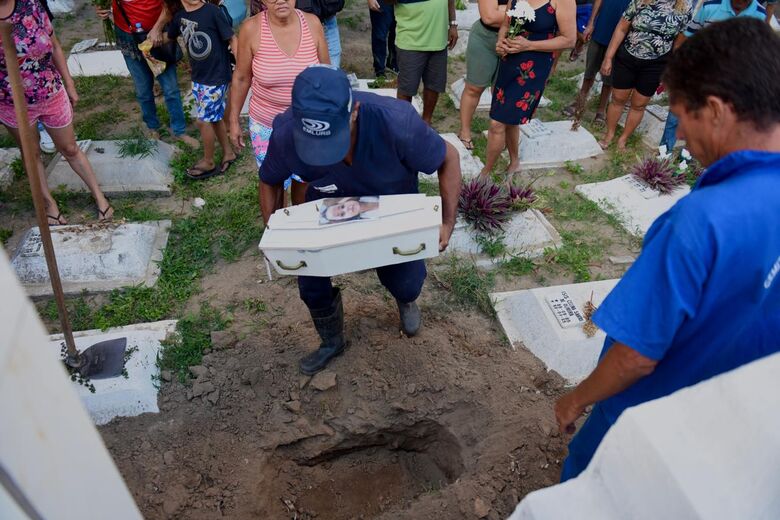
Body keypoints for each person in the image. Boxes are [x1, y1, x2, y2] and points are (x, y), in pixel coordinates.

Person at [554, 17, 780, 481]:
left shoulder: (701, 221)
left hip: (644, 423)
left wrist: (577, 398)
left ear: (716, 110)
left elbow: (637, 355)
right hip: (734, 427)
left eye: (683, 118)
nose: (679, 136)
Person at [259, 66, 462, 375]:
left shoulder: (396, 121)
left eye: (332, 142)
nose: (324, 155)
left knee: (406, 281)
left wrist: (447, 222)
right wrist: (277, 234)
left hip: (390, 206)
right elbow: (269, 180)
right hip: (327, 208)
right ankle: (332, 340)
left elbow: (448, 157)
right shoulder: (287, 132)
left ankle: (406, 300)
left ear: (354, 111)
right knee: (310, 282)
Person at [0, 0, 113, 225]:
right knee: (31, 155)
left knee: (70, 148)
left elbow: (54, 44)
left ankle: (100, 197)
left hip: (49, 89)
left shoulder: (29, 4)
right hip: (11, 102)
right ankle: (49, 205)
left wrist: (69, 84)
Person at [229, 0, 329, 205]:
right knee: (272, 182)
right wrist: (233, 120)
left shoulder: (313, 24)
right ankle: (275, 232)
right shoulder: (251, 29)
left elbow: (327, 75)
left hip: (307, 124)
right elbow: (241, 78)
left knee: (304, 182)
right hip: (266, 125)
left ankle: (301, 229)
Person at [481, 0, 576, 178]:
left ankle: (485, 173)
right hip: (510, 61)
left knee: (497, 122)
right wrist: (501, 42)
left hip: (533, 68)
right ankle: (515, 160)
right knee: (509, 117)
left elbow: (570, 39)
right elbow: (506, 24)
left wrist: (529, 45)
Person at [658, 0, 767, 152]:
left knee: (707, 117)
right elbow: (687, 35)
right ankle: (664, 151)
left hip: (726, 79)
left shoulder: (759, 14)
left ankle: (688, 156)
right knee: (678, 113)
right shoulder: (710, 7)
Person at [95, 0, 198, 148]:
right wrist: (102, 8)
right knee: (143, 89)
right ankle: (152, 128)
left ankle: (179, 131)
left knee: (171, 89)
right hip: (128, 35)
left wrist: (158, 27)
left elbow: (171, 4)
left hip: (157, 35)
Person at [598, 0, 692, 150]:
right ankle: (609, 134)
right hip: (627, 57)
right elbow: (621, 28)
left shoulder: (684, 7)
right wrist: (608, 57)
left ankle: (623, 139)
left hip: (657, 63)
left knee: (639, 104)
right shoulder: (640, 1)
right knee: (618, 98)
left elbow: (679, 43)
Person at [166, 0, 237, 179]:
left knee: (203, 120)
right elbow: (170, 35)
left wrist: (240, 68)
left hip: (217, 76)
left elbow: (232, 38)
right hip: (199, 77)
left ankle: (208, 161)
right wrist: (152, 41)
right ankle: (228, 153)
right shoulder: (180, 17)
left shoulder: (212, 11)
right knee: (213, 117)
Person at [564, 0, 632, 126]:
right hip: (601, 28)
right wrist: (590, 23)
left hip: (620, 36)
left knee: (609, 77)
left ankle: (601, 110)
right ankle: (579, 103)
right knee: (589, 71)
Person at [394, 0, 459, 124]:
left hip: (438, 40)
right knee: (406, 88)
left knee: (434, 85)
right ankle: (402, 127)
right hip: (411, 40)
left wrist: (453, 24)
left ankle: (426, 124)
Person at [457, 0, 508, 150]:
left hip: (515, 40)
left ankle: (499, 132)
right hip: (485, 37)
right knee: (474, 87)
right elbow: (489, 17)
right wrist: (519, 13)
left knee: (503, 91)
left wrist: (501, 10)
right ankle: (464, 132)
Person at [368, 0, 398, 78]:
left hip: (403, 4)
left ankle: (393, 66)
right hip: (381, 2)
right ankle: (379, 71)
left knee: (398, 34)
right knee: (379, 36)